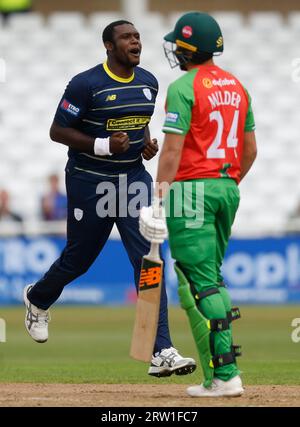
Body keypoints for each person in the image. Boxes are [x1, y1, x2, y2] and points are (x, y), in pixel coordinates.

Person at [23, 20, 196, 377]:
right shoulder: (86, 84)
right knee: (78, 260)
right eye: (126, 37)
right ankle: (38, 299)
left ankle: (160, 349)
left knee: (149, 260)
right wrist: (102, 145)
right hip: (90, 182)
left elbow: (138, 121)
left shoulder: (149, 81)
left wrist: (143, 144)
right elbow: (57, 131)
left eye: (137, 37)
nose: (135, 42)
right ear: (109, 46)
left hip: (133, 180)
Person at [140, 11, 257, 396]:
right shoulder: (237, 87)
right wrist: (226, 182)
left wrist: (158, 197)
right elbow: (251, 149)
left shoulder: (183, 86)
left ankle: (225, 376)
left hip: (191, 191)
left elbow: (172, 150)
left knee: (200, 282)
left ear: (188, 49)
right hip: (227, 187)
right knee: (203, 279)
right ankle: (215, 373)